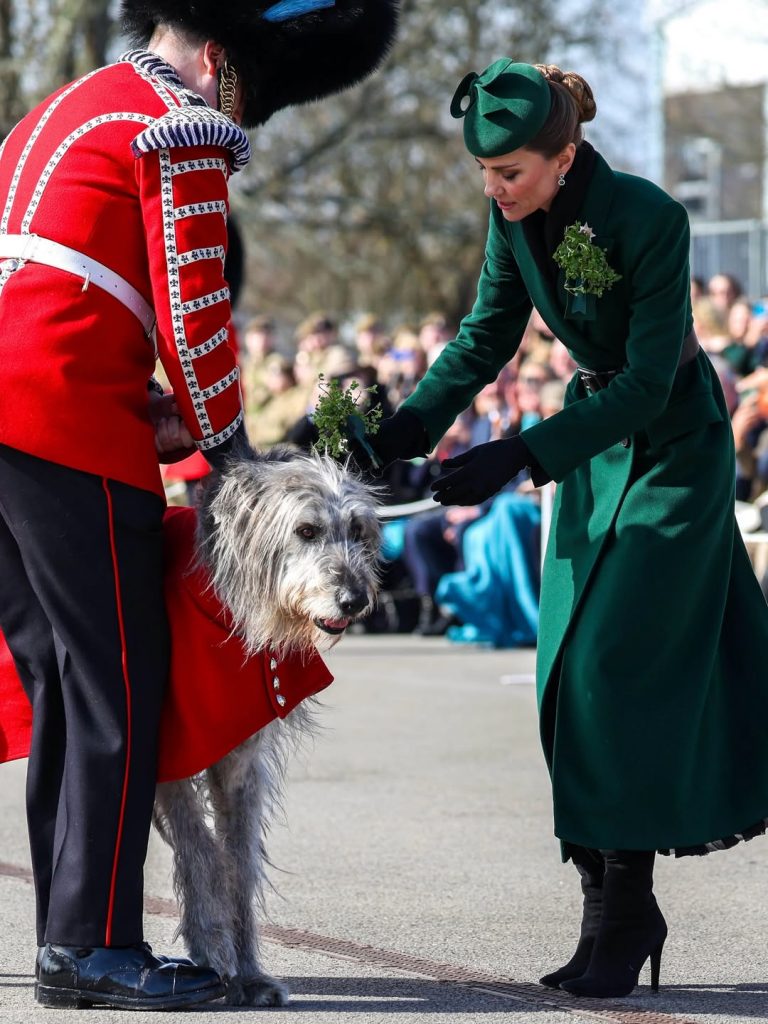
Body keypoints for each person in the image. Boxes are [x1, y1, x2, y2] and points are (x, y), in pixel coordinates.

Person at [0, 0, 398, 1010]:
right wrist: (229, 450)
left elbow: (59, 283)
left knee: (60, 679)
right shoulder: (181, 121)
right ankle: (97, 946)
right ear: (220, 60)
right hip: (62, 420)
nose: (243, 122)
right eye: (249, 96)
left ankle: (67, 935)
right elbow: (192, 303)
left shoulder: (58, 112)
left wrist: (154, 413)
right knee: (118, 689)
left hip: (23, 411)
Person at [360, 59, 768, 998]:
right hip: (590, 452)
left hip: (671, 451)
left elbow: (648, 380)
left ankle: (627, 906)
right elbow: (483, 335)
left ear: (566, 155)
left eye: (510, 174)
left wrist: (520, 454)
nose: (494, 191)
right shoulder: (512, 217)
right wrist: (410, 429)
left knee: (608, 668)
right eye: (485, 175)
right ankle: (609, 905)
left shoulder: (651, 217)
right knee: (562, 674)